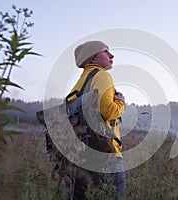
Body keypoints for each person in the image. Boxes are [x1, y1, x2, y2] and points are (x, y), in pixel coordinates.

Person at [67, 41, 126, 199]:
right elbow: (108, 111)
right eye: (105, 51)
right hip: (105, 156)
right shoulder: (102, 75)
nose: (111, 55)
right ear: (92, 58)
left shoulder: (76, 87)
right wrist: (120, 102)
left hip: (78, 159)